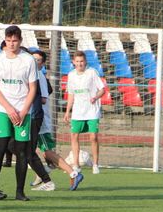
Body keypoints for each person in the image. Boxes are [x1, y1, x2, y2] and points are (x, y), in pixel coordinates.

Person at [0, 25, 37, 201]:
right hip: (3, 110)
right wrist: (8, 108)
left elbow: (33, 88)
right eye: (8, 41)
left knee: (22, 150)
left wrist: (23, 111)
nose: (11, 44)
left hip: (23, 111)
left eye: (14, 41)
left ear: (20, 41)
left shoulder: (28, 60)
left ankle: (19, 192)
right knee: (0, 147)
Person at [28, 49, 82, 190]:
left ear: (43, 63)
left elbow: (44, 99)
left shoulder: (39, 76)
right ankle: (43, 173)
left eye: (38, 60)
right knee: (36, 150)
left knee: (47, 151)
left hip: (40, 120)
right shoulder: (34, 75)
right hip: (34, 118)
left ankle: (73, 173)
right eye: (33, 59)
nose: (35, 62)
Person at [64, 51, 106, 180]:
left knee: (93, 137)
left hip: (92, 110)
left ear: (85, 61)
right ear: (73, 62)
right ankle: (76, 164)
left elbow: (102, 89)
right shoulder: (71, 75)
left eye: (81, 61)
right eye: (77, 61)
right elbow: (71, 94)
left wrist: (95, 97)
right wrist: (67, 112)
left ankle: (95, 164)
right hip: (78, 111)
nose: (79, 63)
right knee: (74, 136)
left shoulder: (92, 72)